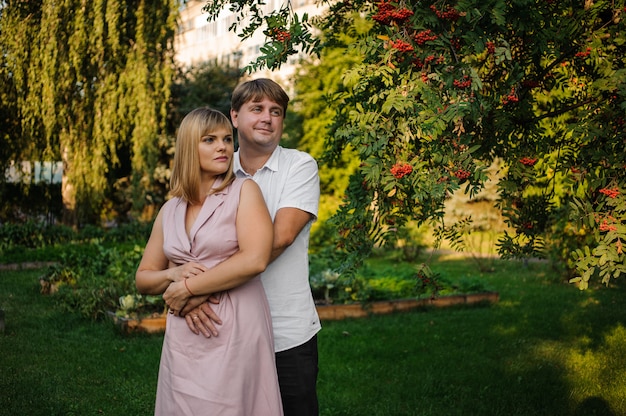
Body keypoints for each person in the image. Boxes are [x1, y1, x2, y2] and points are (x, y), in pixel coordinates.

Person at [181, 78, 321, 416]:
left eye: (276, 112)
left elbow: (280, 238)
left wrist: (198, 289)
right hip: (228, 327)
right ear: (234, 116)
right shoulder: (216, 170)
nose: (267, 118)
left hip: (286, 330)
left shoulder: (299, 166)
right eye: (256, 108)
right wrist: (187, 283)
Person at [135, 107, 283, 416]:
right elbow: (143, 278)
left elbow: (255, 259)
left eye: (227, 139)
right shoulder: (170, 209)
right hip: (184, 339)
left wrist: (187, 288)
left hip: (234, 330)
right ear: (190, 147)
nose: (223, 147)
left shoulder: (245, 192)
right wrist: (174, 275)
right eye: (210, 140)